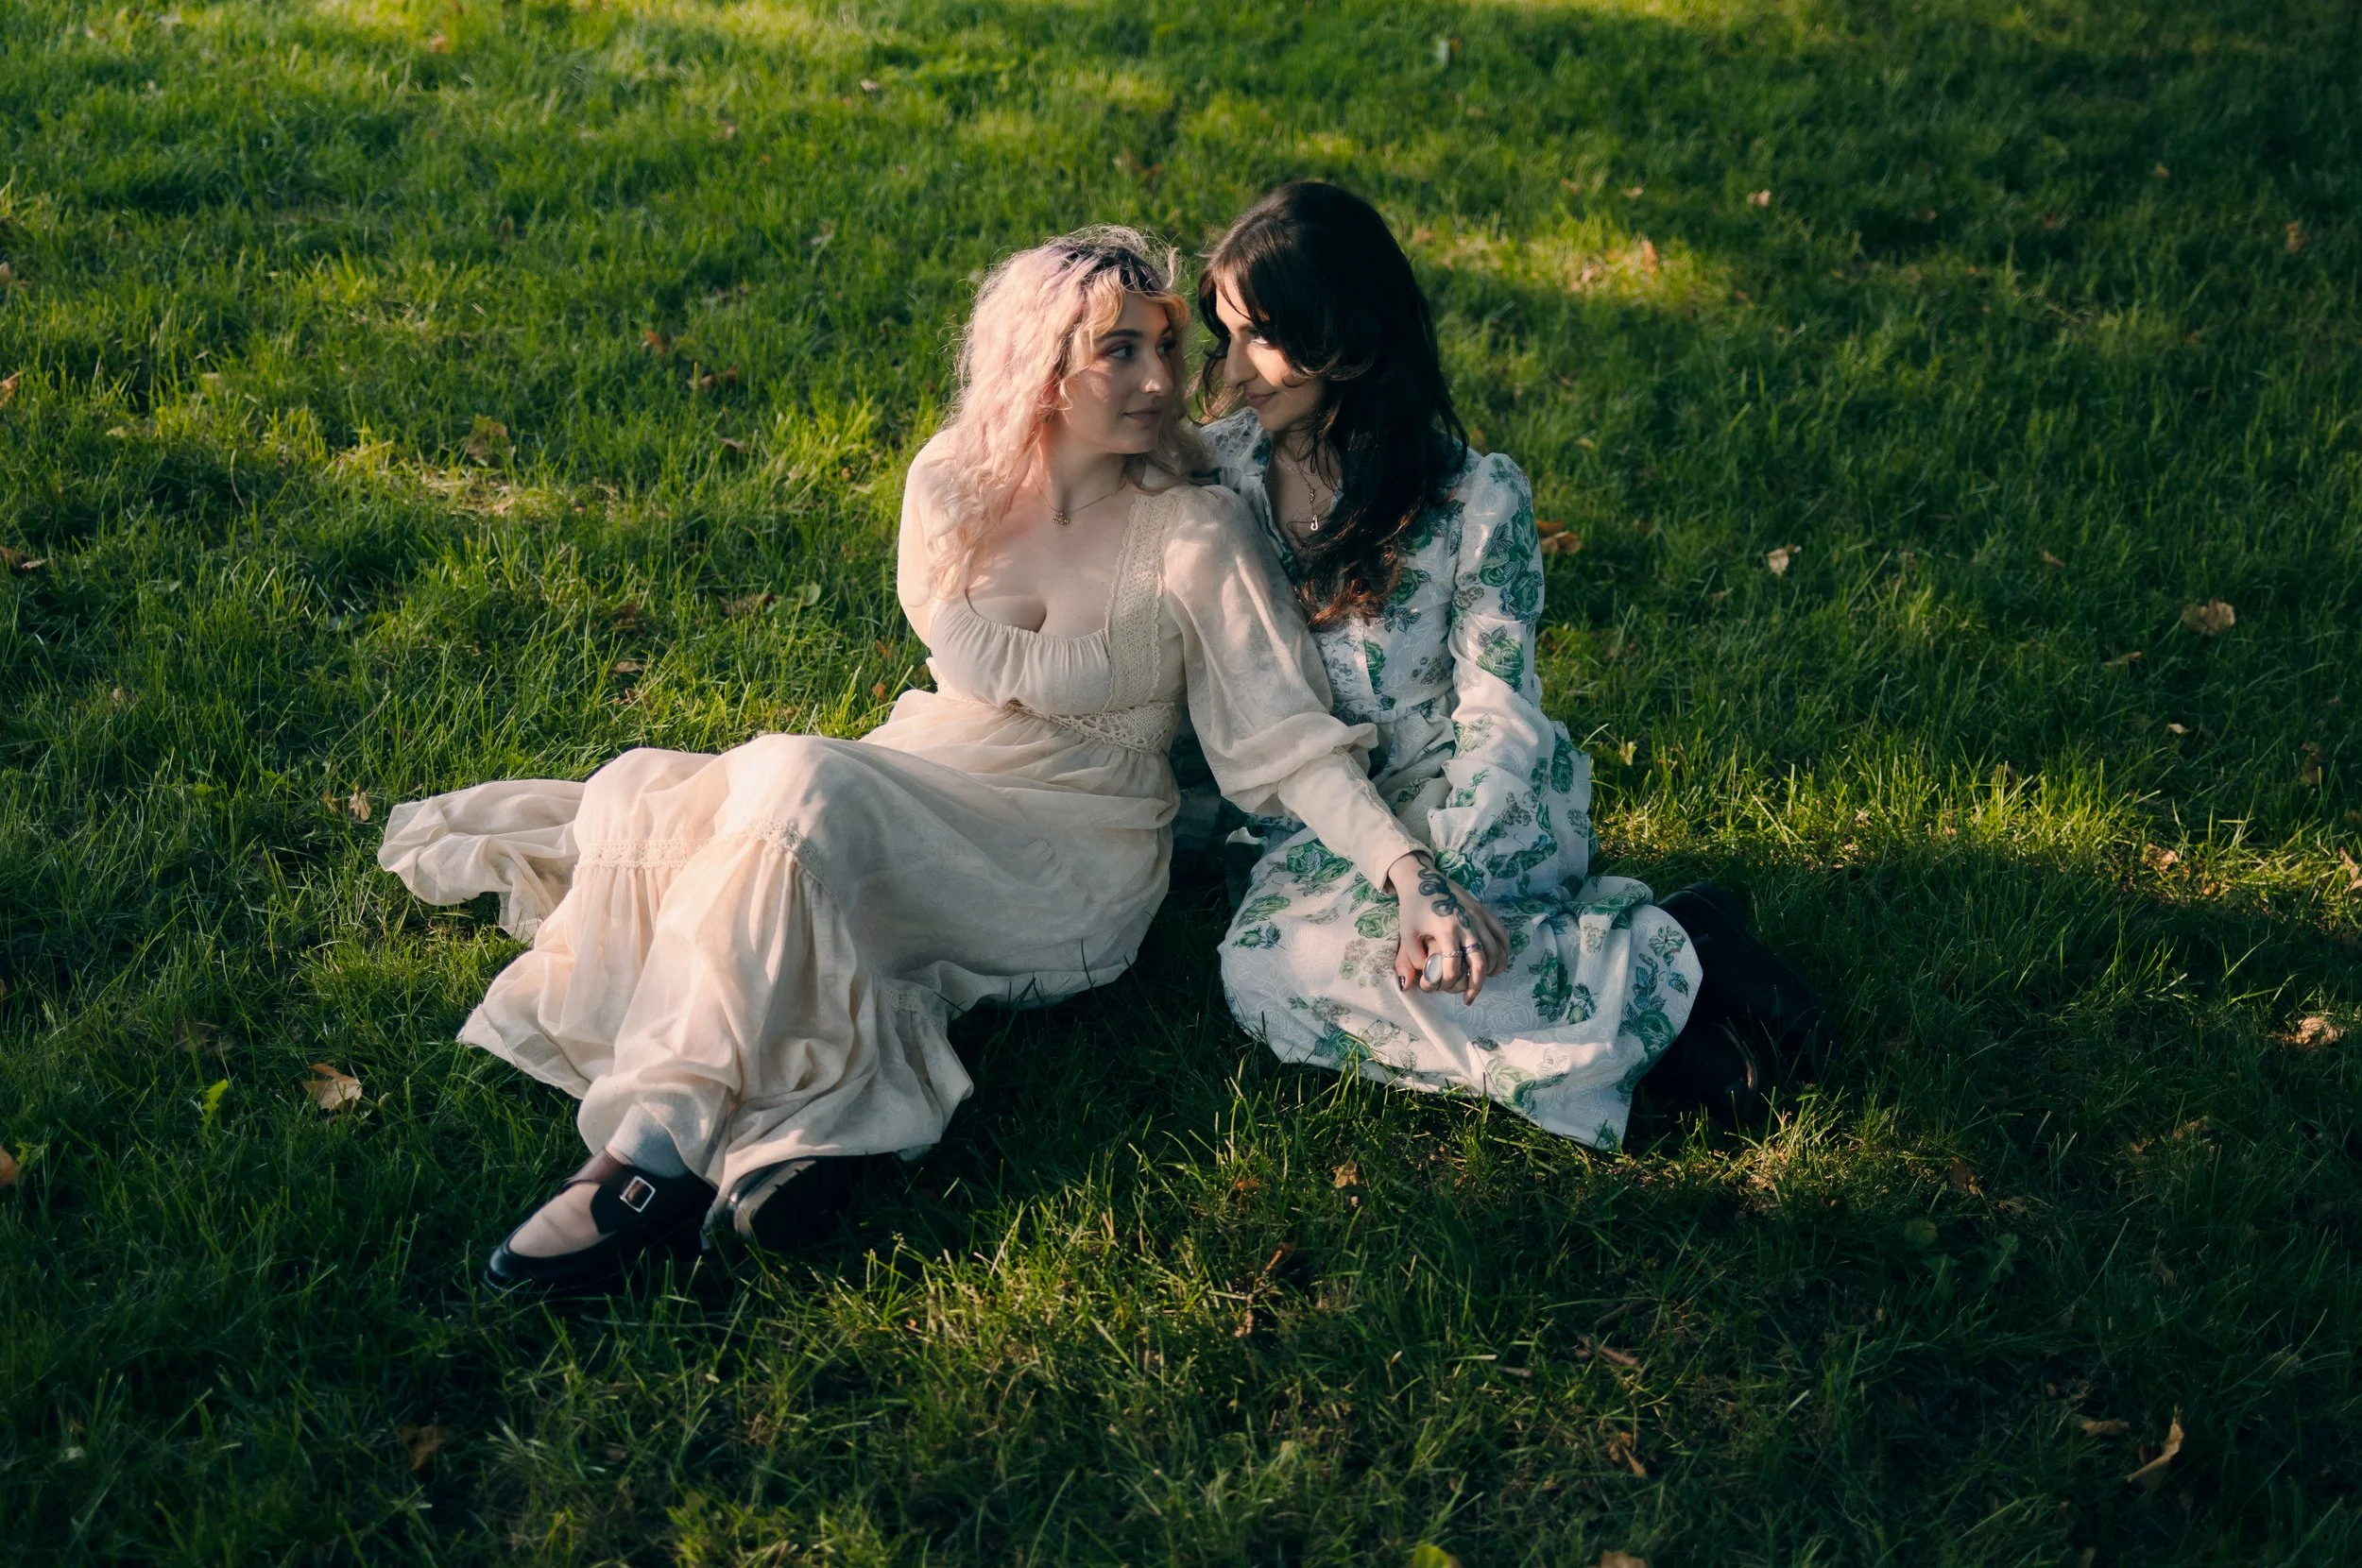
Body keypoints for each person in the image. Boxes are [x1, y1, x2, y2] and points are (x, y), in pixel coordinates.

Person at [378, 227, 1501, 1293]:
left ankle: (648, 1150)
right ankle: (805, 1132)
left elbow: (1285, 742)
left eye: (1166, 344)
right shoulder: (949, 486)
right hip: (932, 771)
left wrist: (1412, 875)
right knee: (685, 814)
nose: (1161, 377)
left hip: (1074, 850)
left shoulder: (1195, 534)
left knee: (789, 790)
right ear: (1039, 368)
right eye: (1119, 349)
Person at [1190, 182, 1829, 1151]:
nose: (1231, 369)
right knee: (1265, 975)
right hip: (1324, 822)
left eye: (1261, 338)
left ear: (1349, 343)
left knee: (1458, 938)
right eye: (1224, 333)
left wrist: (1449, 865)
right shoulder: (1219, 478)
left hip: (1480, 798)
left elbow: (1499, 705)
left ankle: (1626, 993)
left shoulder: (1471, 497)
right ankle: (1664, 974)